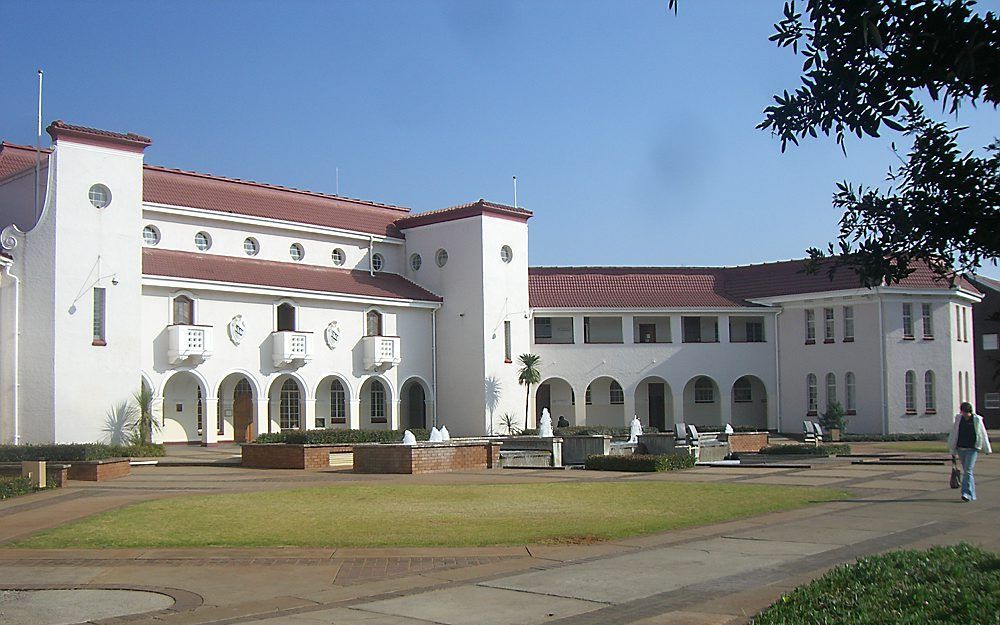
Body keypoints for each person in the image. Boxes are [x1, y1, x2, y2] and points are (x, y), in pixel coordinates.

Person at [947, 402, 992, 502]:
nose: (965, 415)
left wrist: (987, 448)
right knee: (967, 471)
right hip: (961, 448)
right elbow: (954, 434)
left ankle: (965, 493)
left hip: (972, 449)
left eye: (967, 413)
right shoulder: (959, 420)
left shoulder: (976, 420)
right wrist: (952, 449)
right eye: (964, 413)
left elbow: (982, 434)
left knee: (968, 471)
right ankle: (972, 494)